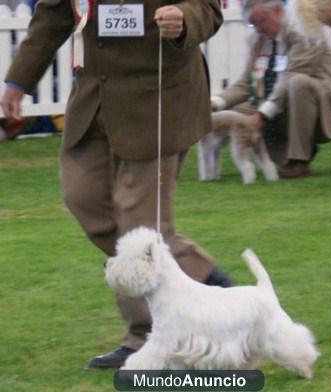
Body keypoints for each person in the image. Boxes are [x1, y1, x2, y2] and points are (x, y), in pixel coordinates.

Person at [1, 0, 231, 369]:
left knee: (139, 222)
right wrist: (18, 81)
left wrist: (184, 19)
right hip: (95, 101)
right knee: (83, 198)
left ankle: (146, 336)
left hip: (159, 95)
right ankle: (212, 286)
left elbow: (208, 6)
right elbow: (53, 14)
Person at [212, 0, 331, 178]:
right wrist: (216, 103)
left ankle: (299, 161)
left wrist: (262, 114)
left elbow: (292, 75)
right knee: (235, 112)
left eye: (260, 22)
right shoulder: (258, 39)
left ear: (277, 11)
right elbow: (247, 83)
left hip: (319, 106)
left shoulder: (304, 29)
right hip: (277, 102)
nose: (257, 30)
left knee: (298, 83)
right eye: (252, 24)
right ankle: (284, 152)